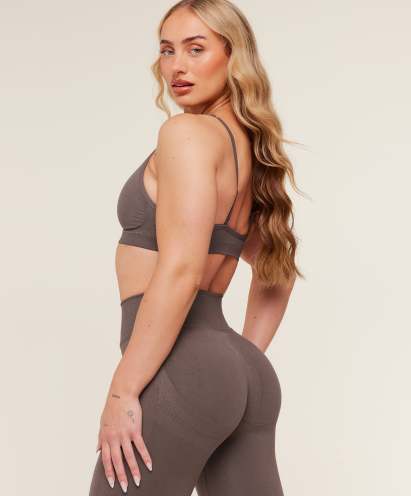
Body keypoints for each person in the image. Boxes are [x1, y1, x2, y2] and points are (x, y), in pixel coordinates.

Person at [88, 1, 302, 494]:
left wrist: (122, 391)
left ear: (233, 56)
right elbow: (278, 271)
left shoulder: (186, 133)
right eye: (167, 50)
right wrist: (237, 359)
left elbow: (182, 269)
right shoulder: (247, 148)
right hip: (241, 375)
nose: (177, 66)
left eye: (196, 49)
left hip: (185, 366)